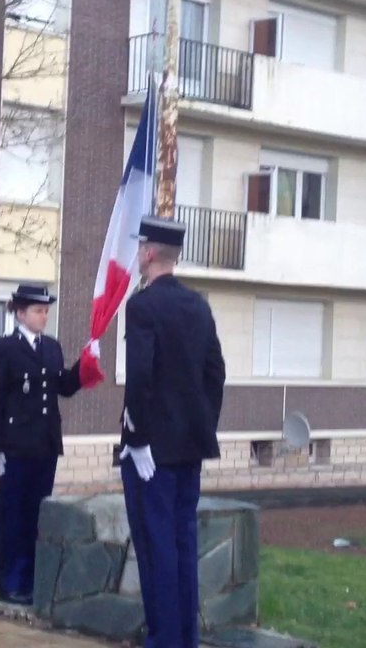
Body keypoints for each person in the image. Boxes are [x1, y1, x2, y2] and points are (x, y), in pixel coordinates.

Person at [119, 216, 226, 648]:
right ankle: (185, 638)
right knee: (183, 543)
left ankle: (164, 639)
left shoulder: (142, 306)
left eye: (140, 248)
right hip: (188, 448)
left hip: (152, 453)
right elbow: (215, 373)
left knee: (155, 546)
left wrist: (137, 439)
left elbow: (140, 377)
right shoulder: (198, 305)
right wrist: (201, 425)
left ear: (149, 253)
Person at [0, 283, 99, 606]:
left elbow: (64, 386)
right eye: (38, 311)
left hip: (45, 445)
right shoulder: (4, 348)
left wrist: (85, 364)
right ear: (20, 313)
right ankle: (11, 583)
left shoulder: (51, 347)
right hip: (15, 446)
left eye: (46, 311)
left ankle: (33, 581)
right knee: (13, 517)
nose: (44, 316)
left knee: (36, 516)